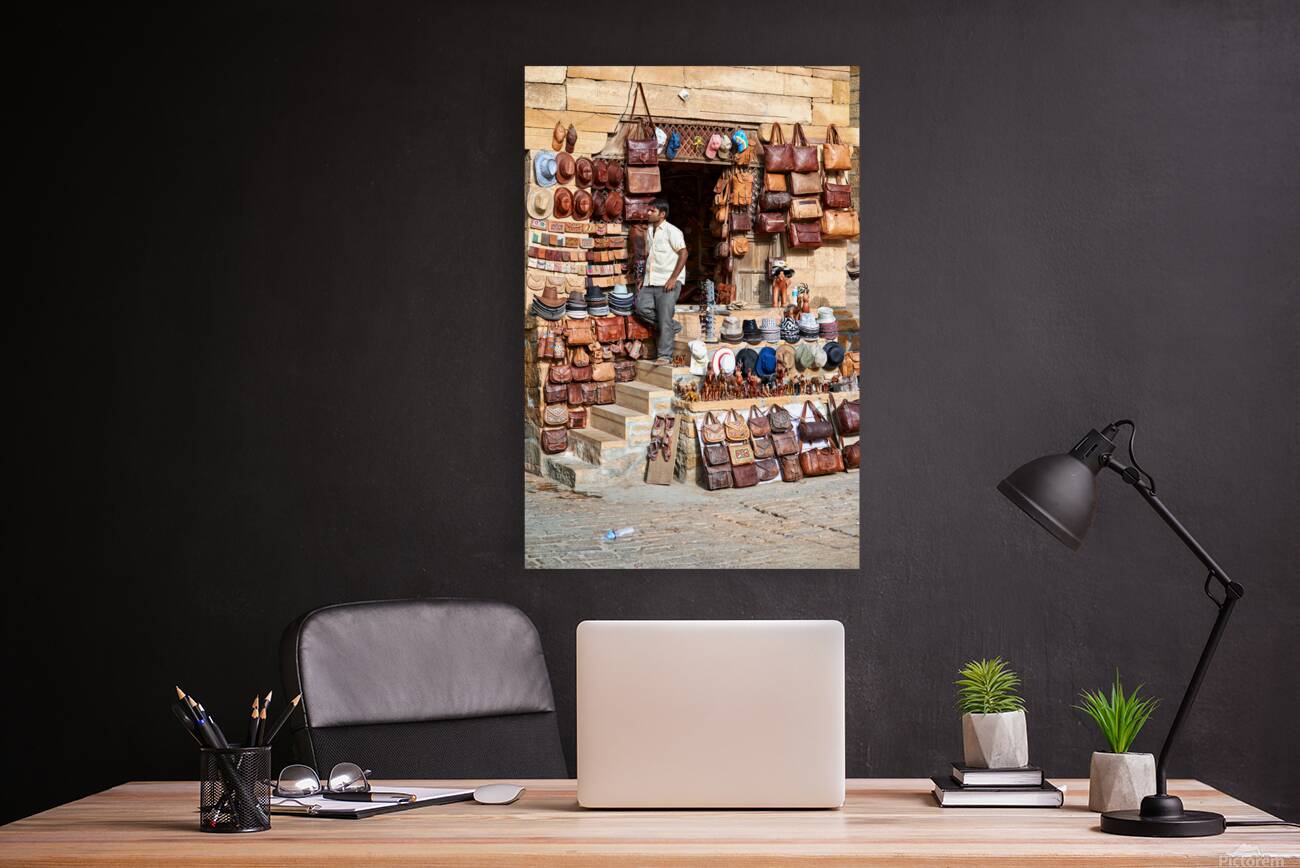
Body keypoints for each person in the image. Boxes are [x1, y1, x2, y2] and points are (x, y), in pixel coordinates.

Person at [633, 199, 688, 364]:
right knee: (640, 307)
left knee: (664, 315)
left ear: (662, 214)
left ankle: (664, 355)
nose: (648, 213)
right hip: (651, 281)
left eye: (652, 211)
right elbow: (650, 257)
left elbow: (683, 254)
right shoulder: (649, 231)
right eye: (648, 210)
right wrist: (644, 278)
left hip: (668, 282)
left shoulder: (673, 231)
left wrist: (673, 279)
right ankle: (672, 326)